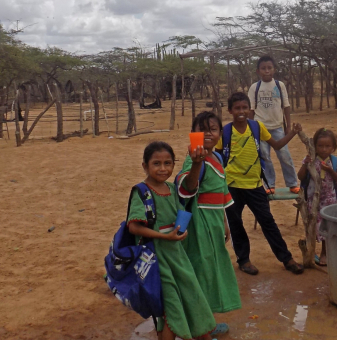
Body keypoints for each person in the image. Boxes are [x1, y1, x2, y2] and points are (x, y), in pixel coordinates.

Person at [127, 141, 216, 340]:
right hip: (158, 259)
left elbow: (188, 194)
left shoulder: (171, 188)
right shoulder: (141, 191)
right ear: (145, 166)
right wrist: (164, 236)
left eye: (168, 163)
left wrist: (179, 232)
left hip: (177, 256)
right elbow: (134, 226)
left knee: (191, 297)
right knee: (171, 307)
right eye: (156, 163)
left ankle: (203, 333)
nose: (163, 168)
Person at [219, 92, 305, 275]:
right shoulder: (225, 132)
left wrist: (293, 133)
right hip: (231, 186)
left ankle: (286, 258)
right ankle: (244, 260)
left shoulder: (257, 127)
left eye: (244, 108)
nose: (241, 111)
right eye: (237, 108)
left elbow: (277, 145)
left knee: (268, 222)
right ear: (230, 110)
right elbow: (217, 157)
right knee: (235, 224)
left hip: (255, 185)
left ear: (250, 110)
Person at [176, 111, 241, 337]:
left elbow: (222, 193)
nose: (207, 134)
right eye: (201, 129)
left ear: (219, 133)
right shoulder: (194, 158)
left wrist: (224, 223)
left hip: (213, 223)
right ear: (193, 133)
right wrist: (196, 163)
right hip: (199, 224)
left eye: (212, 129)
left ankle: (206, 323)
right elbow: (187, 188)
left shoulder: (218, 158)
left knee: (211, 270)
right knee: (201, 273)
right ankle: (201, 329)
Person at [248, 55, 299, 194]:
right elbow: (251, 110)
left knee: (285, 156)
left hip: (277, 127)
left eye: (269, 68)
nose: (267, 71)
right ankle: (269, 185)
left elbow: (286, 106)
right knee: (265, 157)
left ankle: (292, 183)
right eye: (263, 68)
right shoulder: (254, 87)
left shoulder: (279, 85)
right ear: (258, 71)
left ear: (274, 69)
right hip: (260, 128)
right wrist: (252, 128)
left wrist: (288, 126)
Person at [297, 127, 337, 266]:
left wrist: (330, 170)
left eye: (327, 146)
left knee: (327, 226)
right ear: (314, 146)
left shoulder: (334, 161)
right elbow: (300, 176)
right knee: (313, 225)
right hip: (313, 199)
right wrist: (305, 164)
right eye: (320, 146)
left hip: (329, 199)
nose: (324, 149)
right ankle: (311, 252)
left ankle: (325, 253)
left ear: (333, 147)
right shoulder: (311, 159)